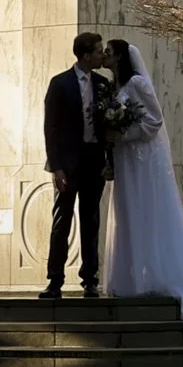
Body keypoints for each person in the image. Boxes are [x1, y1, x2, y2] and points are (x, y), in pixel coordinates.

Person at [100, 37, 183, 320]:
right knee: (127, 212)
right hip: (125, 159)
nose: (105, 56)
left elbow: (154, 119)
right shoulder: (116, 88)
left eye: (109, 53)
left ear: (121, 57)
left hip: (141, 158)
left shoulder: (137, 83)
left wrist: (124, 134)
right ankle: (131, 278)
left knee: (144, 210)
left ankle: (157, 276)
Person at [39, 30, 111, 300]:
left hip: (94, 161)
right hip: (68, 164)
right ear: (85, 55)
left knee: (91, 220)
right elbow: (50, 128)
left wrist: (108, 161)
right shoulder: (60, 84)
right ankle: (55, 280)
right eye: (98, 51)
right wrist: (55, 167)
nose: (102, 55)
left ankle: (90, 279)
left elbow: (108, 128)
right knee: (62, 221)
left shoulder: (104, 85)